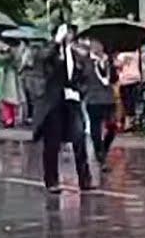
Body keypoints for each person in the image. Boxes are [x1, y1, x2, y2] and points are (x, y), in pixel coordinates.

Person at [28, 24, 95, 193]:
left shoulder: (76, 54)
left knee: (79, 138)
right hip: (53, 102)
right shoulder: (49, 51)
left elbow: (85, 75)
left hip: (72, 100)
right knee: (53, 142)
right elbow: (41, 59)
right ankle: (51, 180)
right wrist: (56, 42)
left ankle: (84, 179)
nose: (69, 35)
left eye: (71, 32)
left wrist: (80, 90)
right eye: (65, 32)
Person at [83, 38, 119, 167]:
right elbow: (82, 78)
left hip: (108, 98)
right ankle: (99, 153)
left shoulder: (107, 60)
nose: (98, 47)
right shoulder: (86, 61)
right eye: (95, 44)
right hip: (93, 98)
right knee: (95, 127)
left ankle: (104, 148)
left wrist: (111, 66)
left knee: (113, 126)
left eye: (100, 44)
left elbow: (114, 79)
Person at [114, 48, 142, 131]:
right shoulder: (136, 53)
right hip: (136, 78)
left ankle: (127, 123)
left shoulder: (121, 55)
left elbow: (116, 65)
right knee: (133, 102)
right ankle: (133, 122)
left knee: (125, 103)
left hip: (125, 80)